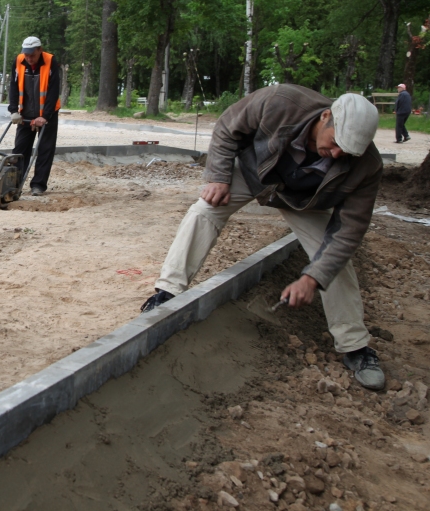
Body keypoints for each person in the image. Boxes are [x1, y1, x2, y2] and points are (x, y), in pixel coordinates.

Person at [141, 84, 387, 390]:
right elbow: (227, 128)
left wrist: (312, 278)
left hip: (303, 200)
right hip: (254, 174)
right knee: (204, 210)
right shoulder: (280, 102)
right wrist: (218, 176)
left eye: (346, 152)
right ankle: (167, 292)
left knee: (334, 263)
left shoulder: (367, 166)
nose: (337, 154)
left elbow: (348, 232)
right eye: (335, 143)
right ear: (325, 117)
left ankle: (355, 346)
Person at [7, 36, 61, 196]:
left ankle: (38, 185)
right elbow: (13, 86)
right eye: (27, 55)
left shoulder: (50, 61)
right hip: (25, 112)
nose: (29, 58)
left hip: (48, 113)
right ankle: (14, 184)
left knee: (45, 149)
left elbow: (53, 90)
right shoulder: (19, 61)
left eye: (32, 55)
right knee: (20, 149)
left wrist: (45, 116)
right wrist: (13, 110)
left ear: (40, 50)